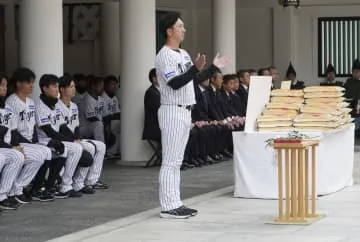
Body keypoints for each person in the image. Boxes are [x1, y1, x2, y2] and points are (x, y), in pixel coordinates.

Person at [155, 12, 229, 219]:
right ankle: (168, 206)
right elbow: (176, 82)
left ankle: (175, 202)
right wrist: (194, 69)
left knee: (177, 160)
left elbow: (192, 80)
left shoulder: (184, 53)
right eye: (180, 26)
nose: (184, 29)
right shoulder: (164, 55)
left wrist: (213, 68)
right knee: (170, 161)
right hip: (172, 109)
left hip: (186, 110)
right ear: (169, 31)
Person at [6, 68, 65, 202]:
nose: (32, 85)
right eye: (28, 82)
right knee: (39, 155)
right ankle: (17, 188)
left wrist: (35, 142)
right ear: (18, 84)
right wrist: (27, 144)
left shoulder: (31, 102)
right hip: (15, 141)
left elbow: (32, 127)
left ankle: (37, 188)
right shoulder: (12, 101)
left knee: (46, 152)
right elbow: (13, 131)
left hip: (28, 141)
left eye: (32, 82)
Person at [35, 74, 84, 198]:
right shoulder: (40, 105)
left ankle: (61, 185)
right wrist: (71, 141)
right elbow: (48, 131)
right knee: (72, 148)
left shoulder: (55, 104)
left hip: (56, 140)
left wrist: (74, 139)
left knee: (74, 148)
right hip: (44, 140)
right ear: (45, 88)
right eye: (54, 87)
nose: (56, 89)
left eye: (57, 86)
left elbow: (62, 126)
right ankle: (63, 185)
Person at [58, 75, 108, 192]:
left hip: (74, 138)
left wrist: (78, 139)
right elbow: (61, 128)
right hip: (62, 139)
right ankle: (69, 183)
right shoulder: (56, 105)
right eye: (71, 86)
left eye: (74, 86)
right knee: (87, 148)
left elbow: (75, 127)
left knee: (100, 146)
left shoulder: (74, 106)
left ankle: (88, 181)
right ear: (62, 89)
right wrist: (74, 140)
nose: (74, 89)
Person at [0, 74, 24, 209]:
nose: (4, 88)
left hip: (5, 146)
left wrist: (15, 145)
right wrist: (11, 147)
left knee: (18, 155)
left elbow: (13, 131)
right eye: (1, 85)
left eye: (5, 85)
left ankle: (3, 194)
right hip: (3, 147)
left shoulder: (7, 107)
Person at [102, 75, 121, 157]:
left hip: (113, 121)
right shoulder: (102, 97)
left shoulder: (114, 98)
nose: (115, 86)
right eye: (112, 84)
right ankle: (110, 151)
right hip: (104, 121)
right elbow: (105, 116)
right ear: (106, 85)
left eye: (116, 84)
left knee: (122, 125)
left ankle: (114, 151)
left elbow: (117, 113)